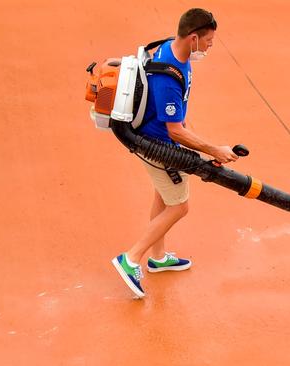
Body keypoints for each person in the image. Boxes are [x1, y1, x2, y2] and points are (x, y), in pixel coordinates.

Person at [111, 8, 238, 299]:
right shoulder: (169, 76)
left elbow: (179, 119)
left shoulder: (174, 48)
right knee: (180, 206)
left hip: (160, 138)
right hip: (157, 145)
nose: (209, 47)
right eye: (208, 41)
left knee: (163, 194)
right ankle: (130, 259)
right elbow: (174, 131)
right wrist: (212, 148)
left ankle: (158, 257)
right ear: (193, 37)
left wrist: (200, 148)